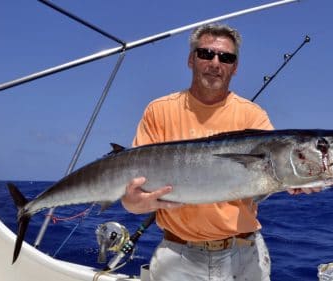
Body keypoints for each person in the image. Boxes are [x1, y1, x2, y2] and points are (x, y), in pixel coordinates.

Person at [121, 23, 320, 281]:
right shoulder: (158, 111)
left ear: (234, 67)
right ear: (191, 59)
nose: (215, 63)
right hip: (177, 257)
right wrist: (134, 203)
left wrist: (300, 182)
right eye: (206, 54)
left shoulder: (253, 115)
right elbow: (133, 197)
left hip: (244, 256)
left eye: (226, 57)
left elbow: (278, 169)